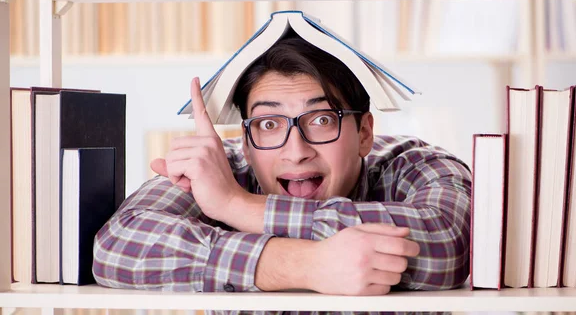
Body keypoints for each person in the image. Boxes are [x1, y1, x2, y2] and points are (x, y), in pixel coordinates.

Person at [93, 37, 472, 314]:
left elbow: (453, 243)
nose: (296, 150)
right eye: (269, 123)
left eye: (322, 120)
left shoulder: (415, 164)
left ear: (365, 133)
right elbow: (117, 249)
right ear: (244, 140)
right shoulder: (220, 169)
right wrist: (308, 264)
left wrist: (236, 206)